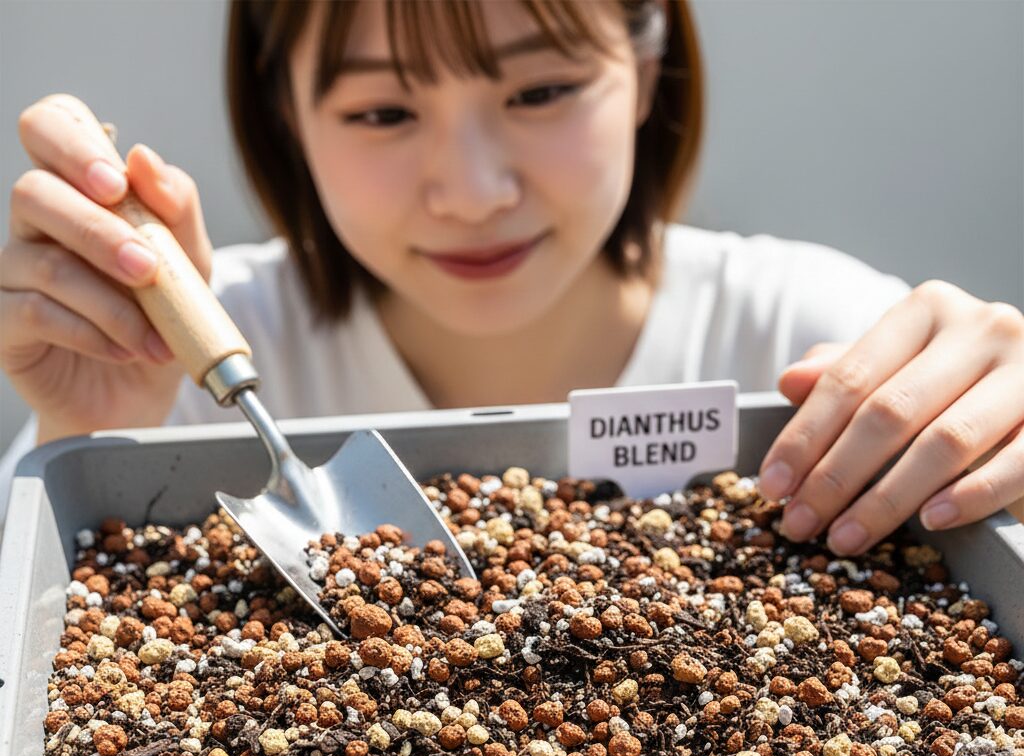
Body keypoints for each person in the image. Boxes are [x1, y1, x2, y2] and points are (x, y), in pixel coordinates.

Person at [1, 0, 1022, 552]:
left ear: (645, 69)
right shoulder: (179, 362)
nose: (473, 191)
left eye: (540, 90)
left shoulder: (808, 332)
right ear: (287, 117)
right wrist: (89, 448)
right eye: (383, 112)